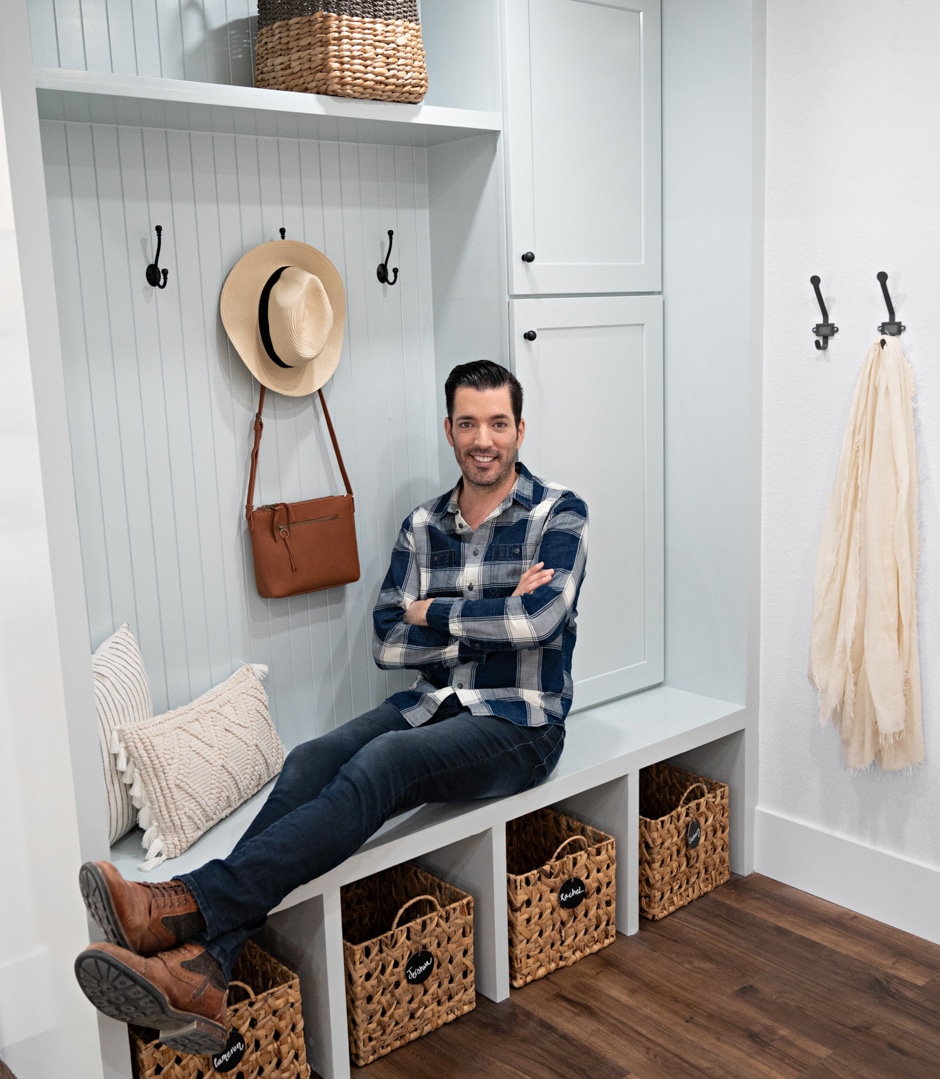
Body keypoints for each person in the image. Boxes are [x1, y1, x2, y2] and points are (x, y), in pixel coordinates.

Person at [74, 360, 589, 1055]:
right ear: (448, 429)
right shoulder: (423, 525)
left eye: (498, 422)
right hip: (434, 701)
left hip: (521, 720)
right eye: (467, 422)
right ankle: (206, 967)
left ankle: (182, 903)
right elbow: (387, 639)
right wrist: (493, 608)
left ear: (520, 429)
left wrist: (433, 608)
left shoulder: (559, 512)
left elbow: (538, 623)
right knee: (312, 757)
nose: (483, 438)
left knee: (385, 764)